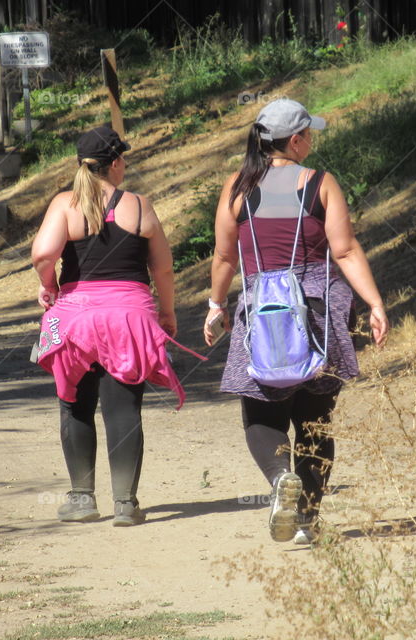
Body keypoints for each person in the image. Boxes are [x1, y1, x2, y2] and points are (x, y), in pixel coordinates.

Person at [205, 99, 389, 544]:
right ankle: (308, 519)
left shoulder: (237, 187)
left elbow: (226, 257)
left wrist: (216, 306)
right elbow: (344, 251)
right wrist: (375, 304)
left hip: (263, 310)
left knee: (262, 414)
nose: (312, 141)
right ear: (294, 140)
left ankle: (278, 479)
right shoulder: (320, 183)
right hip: (318, 311)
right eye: (309, 134)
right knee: (315, 420)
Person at [32, 126, 200, 526]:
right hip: (129, 317)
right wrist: (169, 312)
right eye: (124, 158)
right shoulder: (140, 205)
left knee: (75, 402)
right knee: (123, 409)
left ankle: (82, 498)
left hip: (75, 318)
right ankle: (125, 503)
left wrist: (50, 285)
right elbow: (162, 267)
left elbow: (42, 254)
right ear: (116, 163)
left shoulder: (64, 203)